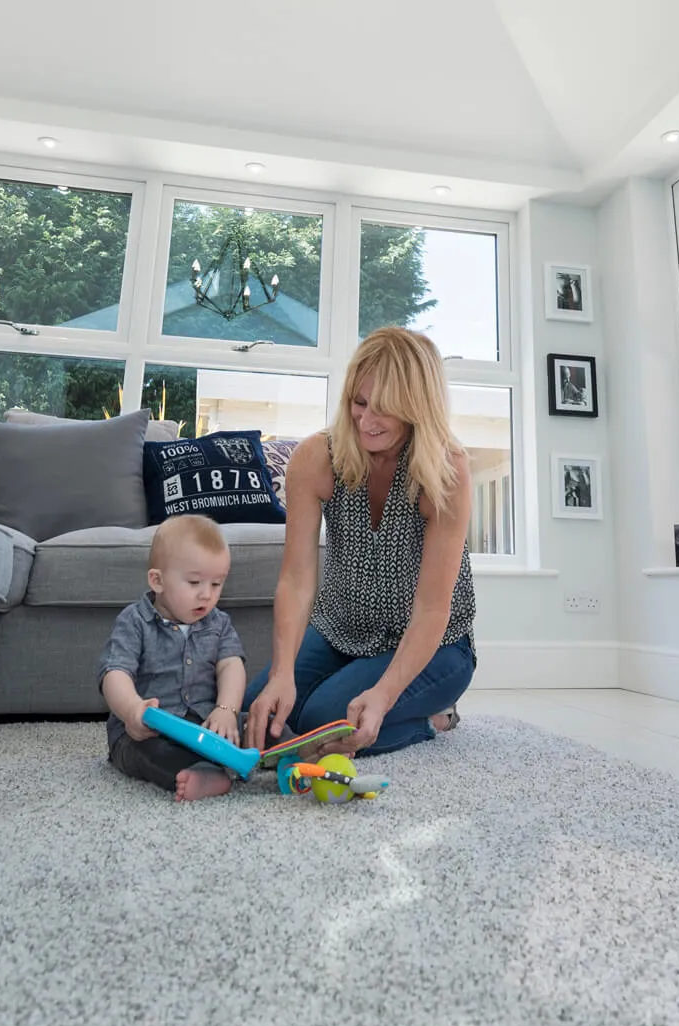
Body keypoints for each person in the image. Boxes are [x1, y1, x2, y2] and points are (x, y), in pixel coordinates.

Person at [246, 326, 477, 760]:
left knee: (322, 724)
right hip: (340, 632)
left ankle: (433, 719)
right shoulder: (316, 458)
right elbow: (296, 581)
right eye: (359, 402)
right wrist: (281, 673)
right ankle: (367, 697)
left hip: (437, 647)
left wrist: (384, 695)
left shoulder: (447, 470)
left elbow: (432, 609)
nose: (367, 421)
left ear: (417, 406)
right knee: (257, 715)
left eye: (385, 409)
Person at [99, 514, 247, 802]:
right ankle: (200, 772)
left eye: (216, 584)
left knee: (256, 723)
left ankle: (291, 750)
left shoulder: (218, 622)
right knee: (148, 752)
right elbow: (114, 672)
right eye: (194, 582)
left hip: (206, 721)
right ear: (158, 580)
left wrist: (226, 709)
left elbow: (231, 664)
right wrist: (132, 710)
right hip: (150, 730)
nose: (206, 595)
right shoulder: (134, 622)